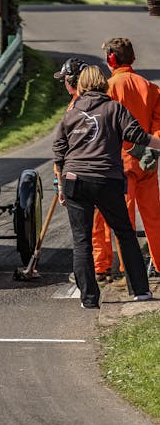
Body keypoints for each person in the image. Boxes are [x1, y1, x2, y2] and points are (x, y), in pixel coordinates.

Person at [53, 65, 160, 308]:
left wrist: (60, 186)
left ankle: (89, 299)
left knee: (81, 241)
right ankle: (141, 291)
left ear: (80, 85)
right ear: (104, 83)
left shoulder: (71, 113)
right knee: (124, 233)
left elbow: (59, 151)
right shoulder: (114, 108)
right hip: (106, 179)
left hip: (74, 180)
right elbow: (137, 135)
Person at [95, 38, 160, 275]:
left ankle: (127, 270)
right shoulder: (150, 87)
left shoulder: (108, 89)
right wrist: (150, 151)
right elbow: (158, 125)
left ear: (112, 59)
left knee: (122, 221)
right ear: (132, 58)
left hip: (119, 165)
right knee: (154, 218)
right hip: (148, 162)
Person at [54, 57, 120, 282]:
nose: (64, 84)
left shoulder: (77, 105)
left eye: (65, 80)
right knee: (102, 223)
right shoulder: (98, 100)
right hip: (105, 171)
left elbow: (66, 147)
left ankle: (98, 269)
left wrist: (60, 180)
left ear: (73, 81)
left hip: (82, 174)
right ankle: (104, 265)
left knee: (90, 227)